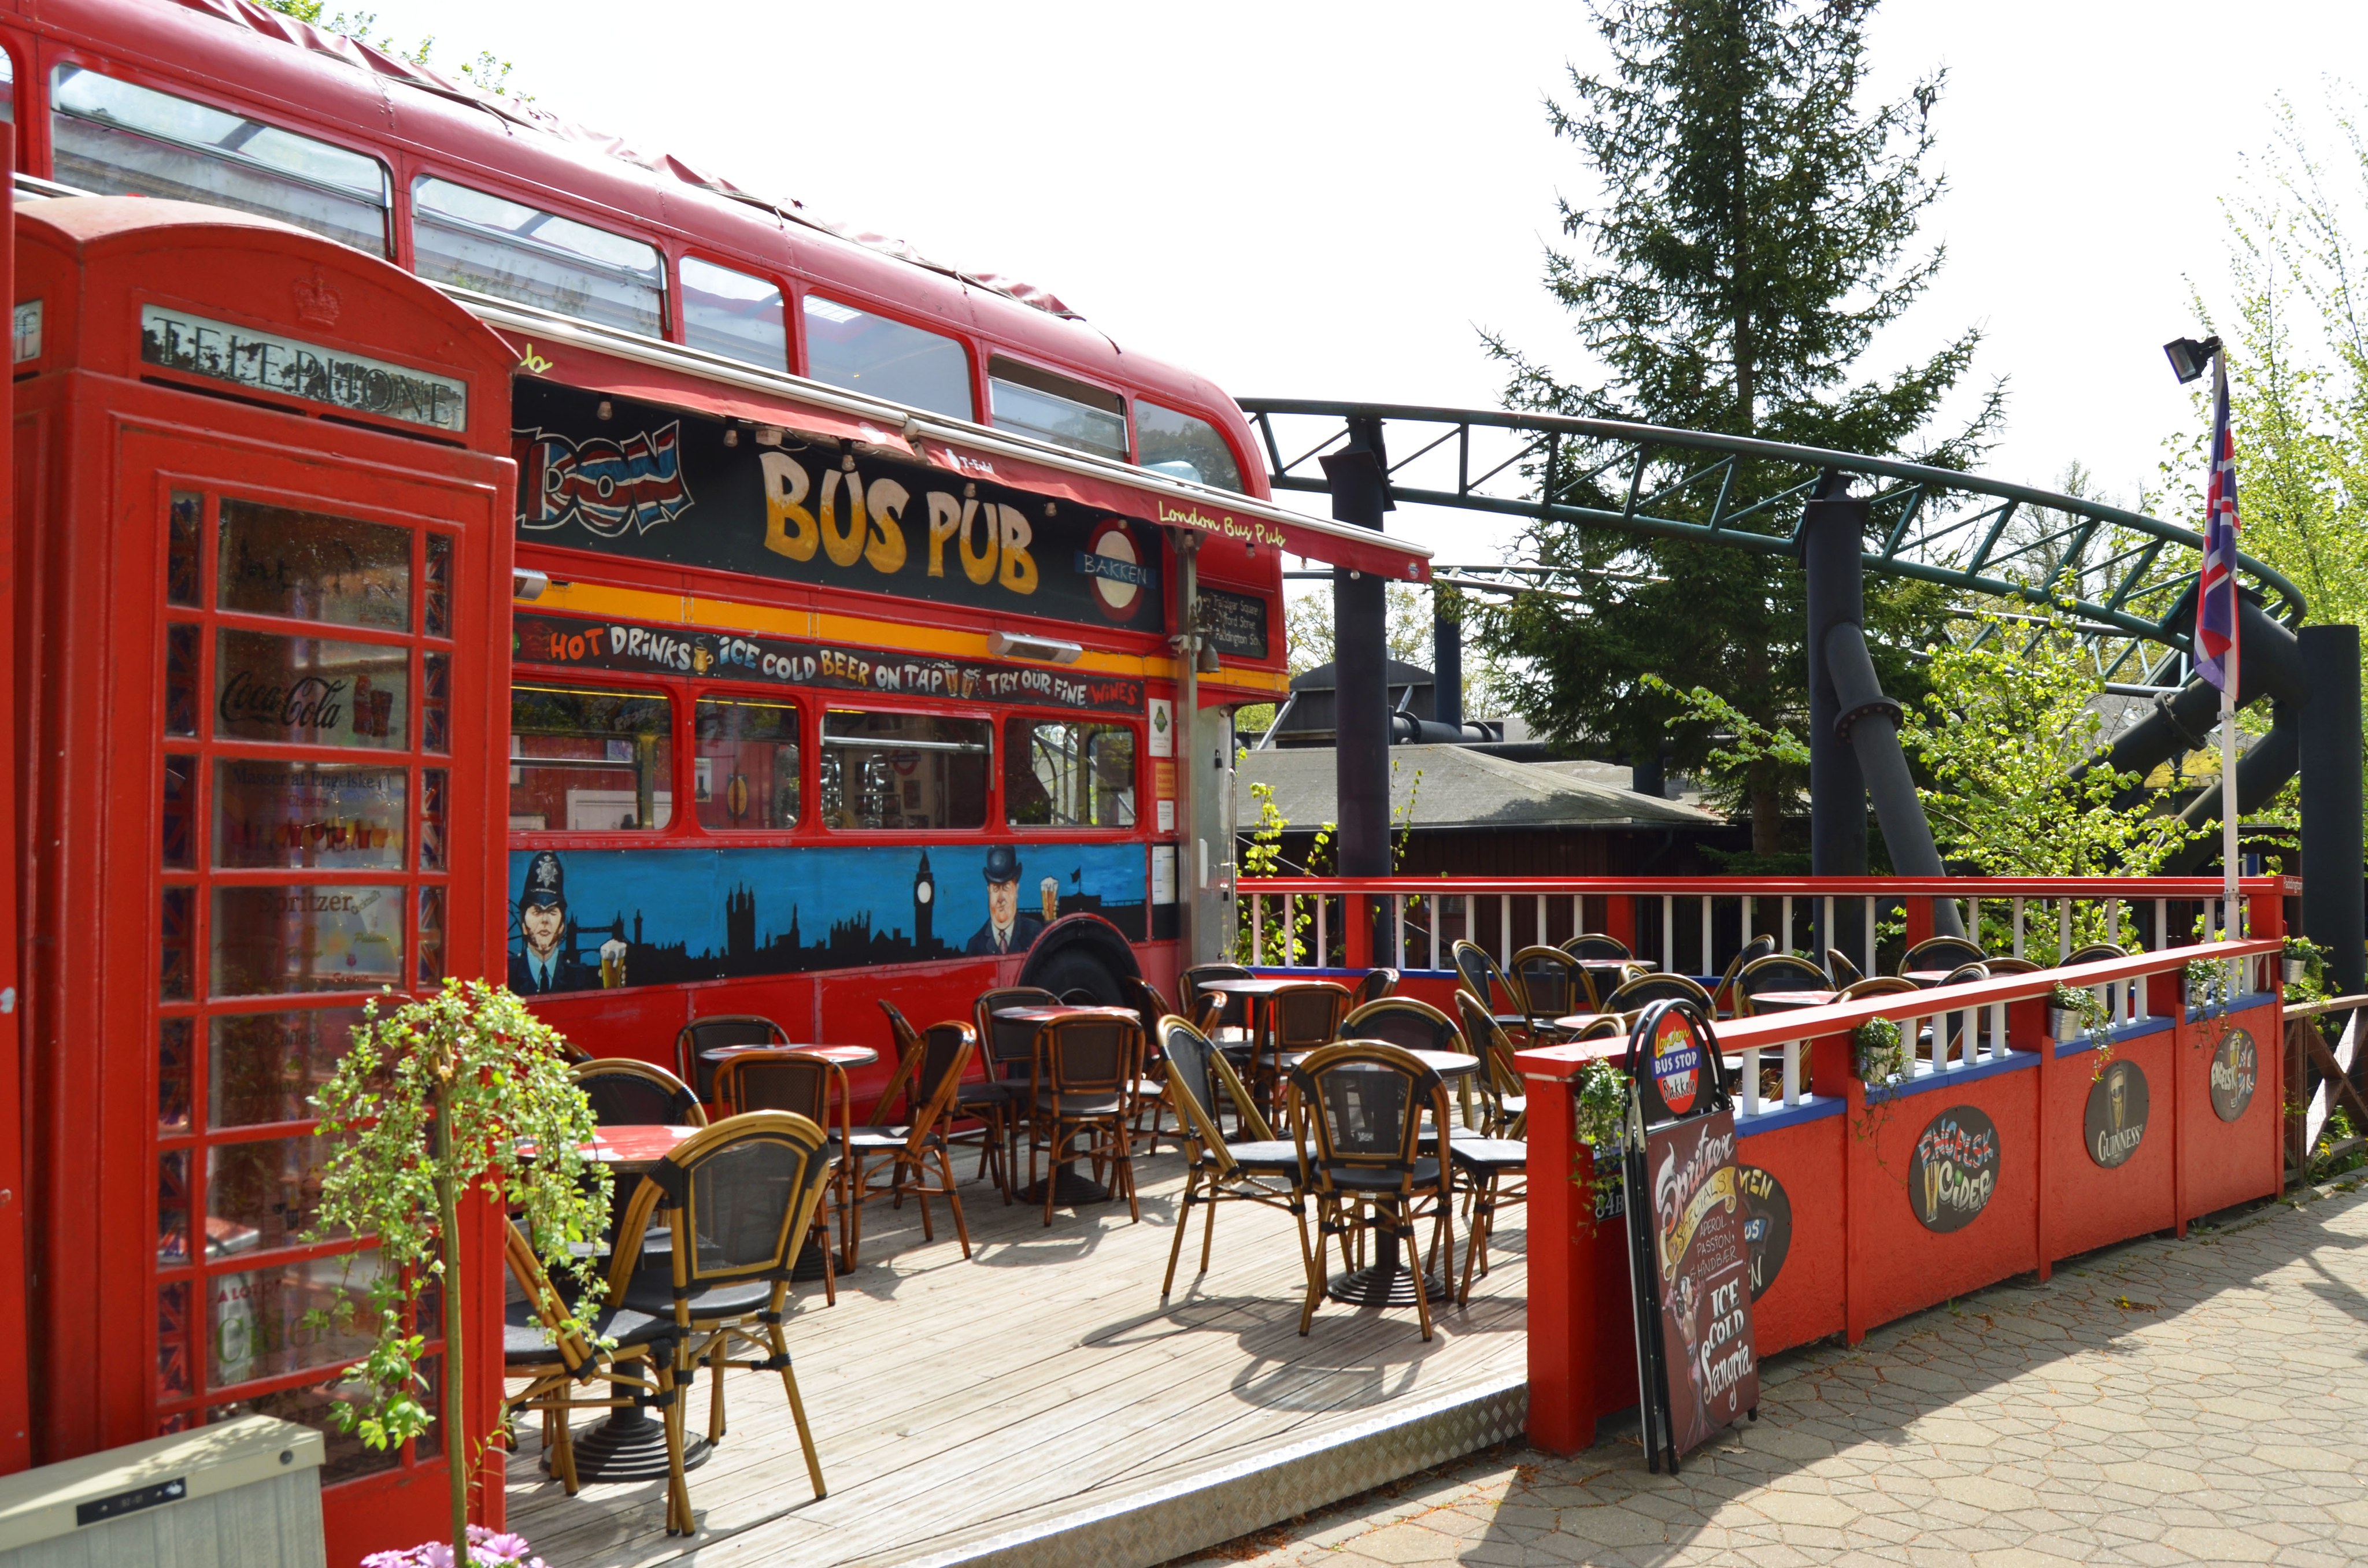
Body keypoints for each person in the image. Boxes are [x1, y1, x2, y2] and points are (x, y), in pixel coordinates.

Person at [509, 850, 598, 994]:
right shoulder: (508, 974)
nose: (545, 920)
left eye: (552, 912)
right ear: (524, 925)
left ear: (562, 925)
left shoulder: (580, 977)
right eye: (537, 912)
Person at [966, 843, 1046, 956]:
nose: (1000, 899)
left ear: (1016, 890)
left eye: (1006, 888)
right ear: (988, 891)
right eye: (995, 889)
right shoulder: (975, 944)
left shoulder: (1035, 933)